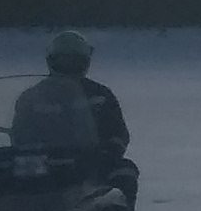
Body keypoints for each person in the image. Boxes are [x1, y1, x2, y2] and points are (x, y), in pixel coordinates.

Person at [11, 29, 133, 189]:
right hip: (43, 166)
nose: (68, 66)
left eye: (75, 61)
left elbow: (118, 132)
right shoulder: (32, 97)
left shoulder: (101, 95)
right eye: (63, 61)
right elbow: (20, 135)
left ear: (85, 62)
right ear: (52, 61)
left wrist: (107, 154)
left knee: (125, 174)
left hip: (90, 164)